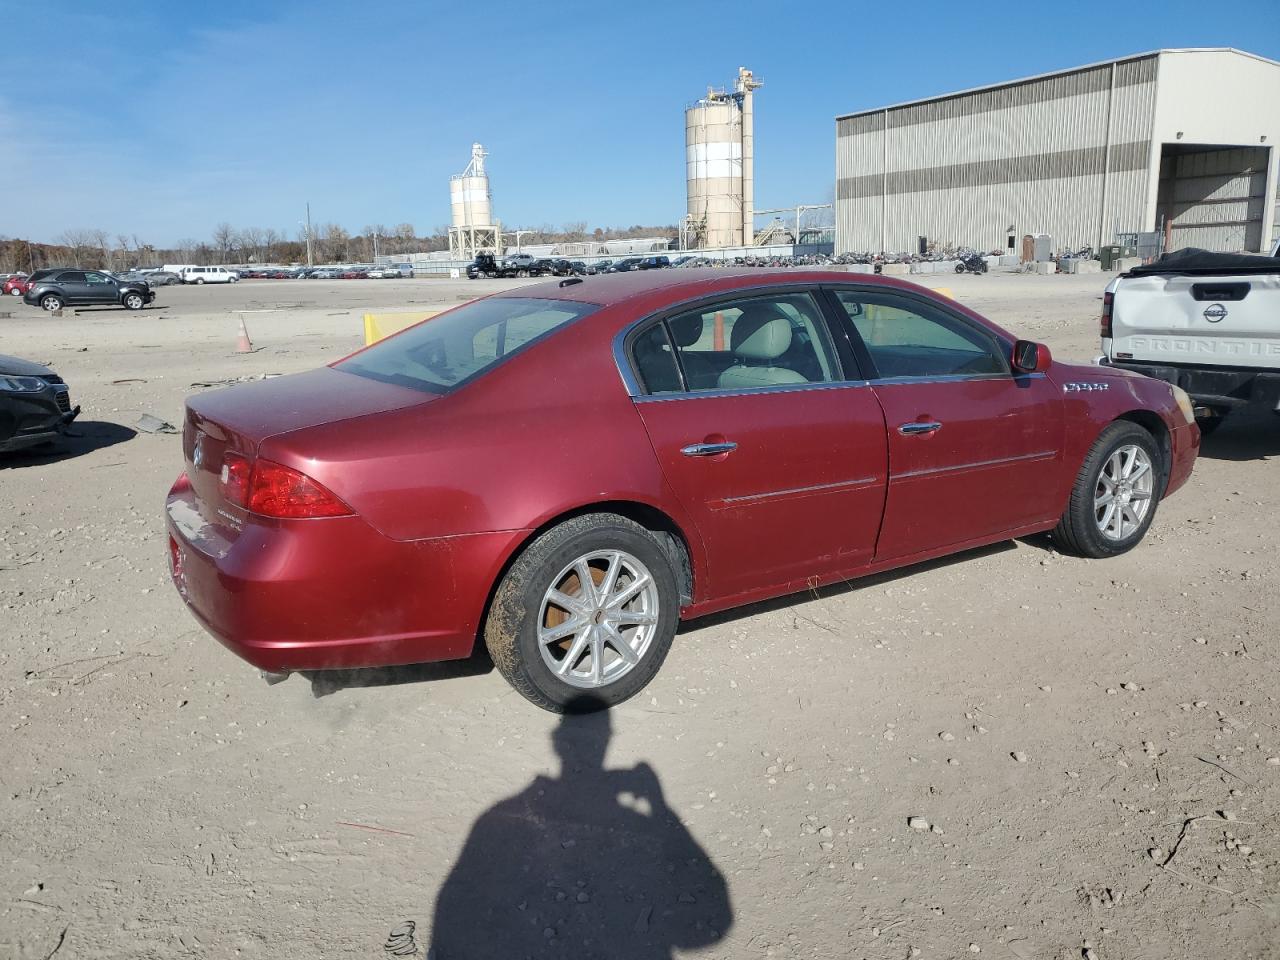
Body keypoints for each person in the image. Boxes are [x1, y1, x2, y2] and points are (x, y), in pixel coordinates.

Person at [430, 697, 732, 959]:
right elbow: (712, 926)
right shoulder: (634, 820)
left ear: (555, 742)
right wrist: (658, 804)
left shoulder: (498, 816)